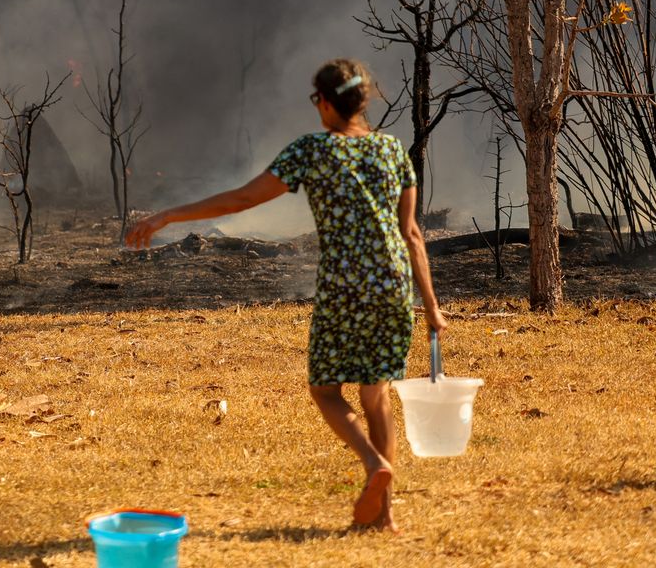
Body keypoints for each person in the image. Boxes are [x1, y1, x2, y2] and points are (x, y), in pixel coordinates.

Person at [124, 58, 447, 533]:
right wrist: (432, 306)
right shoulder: (392, 150)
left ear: (325, 102)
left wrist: (168, 215)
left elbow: (241, 199)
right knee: (376, 394)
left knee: (325, 391)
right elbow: (413, 233)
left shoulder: (311, 150)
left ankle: (373, 462)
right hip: (392, 285)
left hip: (344, 286)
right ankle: (384, 518)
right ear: (362, 101)